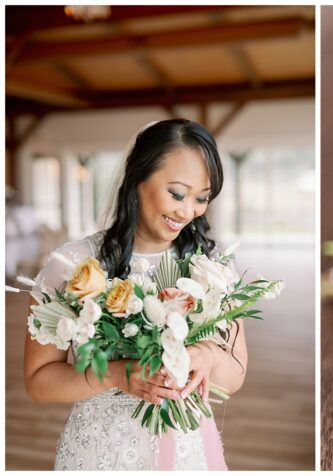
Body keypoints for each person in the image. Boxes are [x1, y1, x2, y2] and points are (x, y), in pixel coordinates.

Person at [22, 119, 246, 470]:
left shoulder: (210, 267)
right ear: (138, 178)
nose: (187, 212)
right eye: (177, 193)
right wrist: (116, 374)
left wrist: (207, 357)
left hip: (186, 452)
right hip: (100, 451)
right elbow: (39, 381)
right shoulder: (73, 265)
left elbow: (235, 373)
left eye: (201, 198)